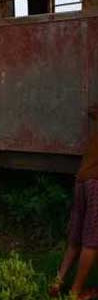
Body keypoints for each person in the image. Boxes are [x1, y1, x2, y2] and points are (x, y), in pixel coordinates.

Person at [51, 106, 98, 299]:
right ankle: (76, 292)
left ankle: (57, 283)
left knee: (76, 238)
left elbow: (92, 109)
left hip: (81, 180)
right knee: (93, 239)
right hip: (97, 182)